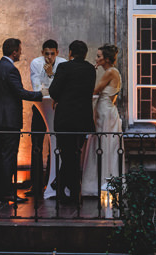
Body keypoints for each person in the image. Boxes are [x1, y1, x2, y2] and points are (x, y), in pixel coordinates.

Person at [0, 38, 43, 209]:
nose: (20, 53)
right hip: (9, 120)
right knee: (8, 156)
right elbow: (19, 92)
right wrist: (40, 95)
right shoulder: (11, 69)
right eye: (19, 50)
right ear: (14, 52)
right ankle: (7, 192)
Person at [48, 40, 96, 205]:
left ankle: (65, 188)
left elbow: (53, 90)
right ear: (85, 54)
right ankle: (69, 189)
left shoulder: (64, 68)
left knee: (67, 154)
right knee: (74, 154)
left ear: (70, 53)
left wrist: (60, 97)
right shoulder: (91, 69)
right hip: (83, 117)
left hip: (66, 118)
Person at [81, 44, 123, 197]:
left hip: (105, 113)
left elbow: (94, 89)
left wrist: (90, 72)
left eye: (99, 56)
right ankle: (102, 180)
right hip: (105, 111)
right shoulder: (111, 72)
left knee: (104, 145)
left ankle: (105, 180)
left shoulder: (110, 72)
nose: (96, 58)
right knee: (103, 145)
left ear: (106, 59)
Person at [28, 39, 66, 197]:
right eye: (46, 54)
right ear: (42, 53)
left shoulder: (63, 64)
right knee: (36, 143)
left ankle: (55, 182)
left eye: (52, 53)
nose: (49, 57)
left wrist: (51, 75)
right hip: (40, 106)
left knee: (56, 143)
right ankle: (36, 185)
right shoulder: (35, 63)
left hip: (58, 107)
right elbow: (37, 88)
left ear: (57, 53)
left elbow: (61, 88)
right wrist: (51, 84)